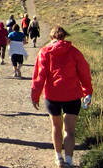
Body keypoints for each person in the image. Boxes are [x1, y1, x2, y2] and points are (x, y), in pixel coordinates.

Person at [31, 26, 93, 168]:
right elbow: (84, 73)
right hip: (72, 95)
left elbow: (39, 76)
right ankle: (69, 161)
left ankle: (58, 158)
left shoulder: (45, 52)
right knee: (70, 131)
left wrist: (35, 95)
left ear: (52, 37)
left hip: (52, 95)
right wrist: (87, 91)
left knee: (56, 127)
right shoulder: (74, 52)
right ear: (64, 37)